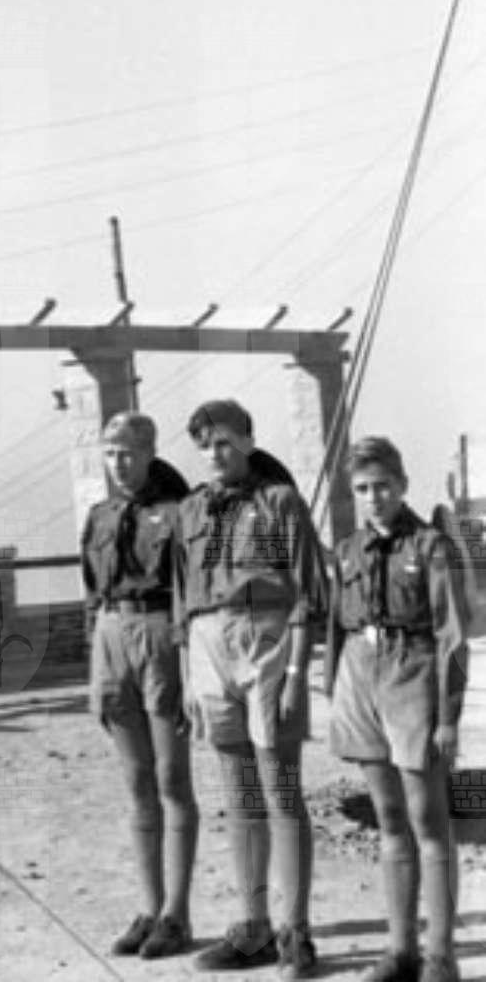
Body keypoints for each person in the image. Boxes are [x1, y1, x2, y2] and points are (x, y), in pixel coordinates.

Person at [174, 399, 327, 978]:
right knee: (239, 795)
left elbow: (309, 594)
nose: (215, 454)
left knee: (282, 789)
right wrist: (189, 675)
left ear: (247, 440)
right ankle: (253, 927)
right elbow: (182, 596)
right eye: (205, 445)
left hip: (267, 645)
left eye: (225, 442)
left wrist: (295, 675)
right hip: (208, 648)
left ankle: (296, 932)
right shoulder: (191, 509)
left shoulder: (280, 501)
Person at [327, 435, 470, 982]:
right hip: (361, 673)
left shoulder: (432, 547)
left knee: (428, 820)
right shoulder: (348, 549)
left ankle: (440, 955)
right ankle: (401, 949)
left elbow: (452, 638)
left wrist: (448, 718)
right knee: (388, 818)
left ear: (403, 485)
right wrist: (335, 690)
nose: (374, 497)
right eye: (363, 489)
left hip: (413, 673)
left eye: (383, 486)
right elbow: (334, 626)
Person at [81, 411, 197, 959]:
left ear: (150, 452)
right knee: (135, 782)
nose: (118, 463)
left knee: (171, 778)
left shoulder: (178, 512)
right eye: (110, 453)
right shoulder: (100, 516)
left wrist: (188, 665)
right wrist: (98, 659)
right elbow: (91, 590)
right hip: (111, 635)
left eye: (128, 452)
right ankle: (148, 908)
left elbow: (191, 591)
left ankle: (176, 913)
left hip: (160, 631)